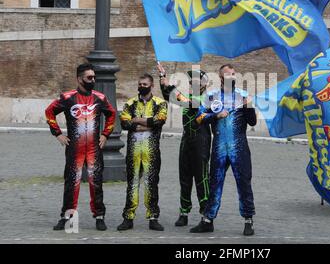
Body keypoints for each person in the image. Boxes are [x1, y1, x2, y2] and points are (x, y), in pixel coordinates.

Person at [45, 63, 116, 231]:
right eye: (89, 77)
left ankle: (99, 216)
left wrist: (105, 134)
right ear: (79, 79)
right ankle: (66, 216)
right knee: (71, 183)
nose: (93, 80)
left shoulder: (100, 98)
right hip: (74, 149)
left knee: (96, 183)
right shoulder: (67, 98)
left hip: (94, 149)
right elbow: (49, 112)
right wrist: (57, 133)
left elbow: (112, 114)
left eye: (94, 77)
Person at [190, 64, 257, 236]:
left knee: (244, 182)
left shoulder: (243, 96)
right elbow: (197, 119)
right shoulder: (212, 97)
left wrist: (248, 106)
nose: (232, 77)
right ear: (221, 78)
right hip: (219, 147)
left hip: (239, 147)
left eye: (234, 74)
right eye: (228, 75)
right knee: (215, 183)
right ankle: (208, 220)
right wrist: (215, 115)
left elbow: (253, 122)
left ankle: (248, 220)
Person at [157, 62, 211, 227]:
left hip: (201, 141)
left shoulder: (206, 99)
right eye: (190, 82)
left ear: (202, 85)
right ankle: (184, 212)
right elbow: (170, 97)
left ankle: (206, 215)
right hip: (186, 140)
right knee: (184, 178)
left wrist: (170, 87)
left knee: (201, 179)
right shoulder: (188, 98)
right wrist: (162, 78)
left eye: (194, 82)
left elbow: (188, 103)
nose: (190, 84)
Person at [117, 73, 168, 231]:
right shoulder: (130, 103)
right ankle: (128, 217)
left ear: (152, 85)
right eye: (140, 84)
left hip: (151, 151)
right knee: (132, 184)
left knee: (151, 184)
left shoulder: (160, 103)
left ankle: (153, 217)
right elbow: (125, 123)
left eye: (145, 84)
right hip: (133, 151)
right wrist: (148, 123)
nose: (142, 86)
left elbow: (159, 121)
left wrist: (137, 120)